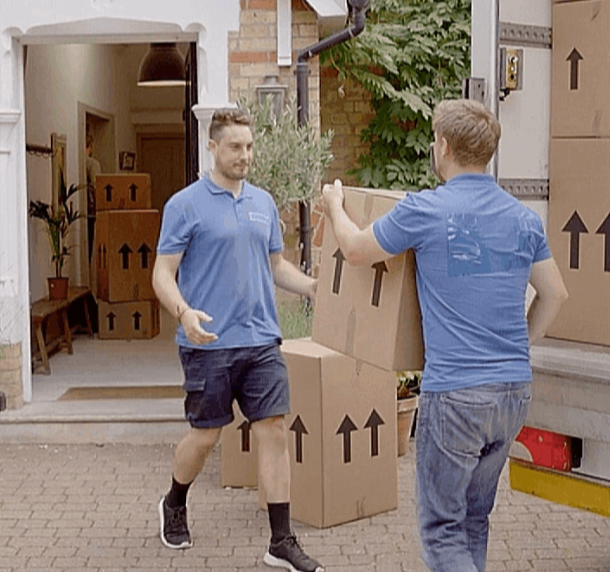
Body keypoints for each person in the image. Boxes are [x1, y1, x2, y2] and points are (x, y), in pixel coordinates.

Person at [322, 99, 569, 572]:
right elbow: (555, 294)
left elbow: (355, 251)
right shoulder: (522, 218)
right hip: (513, 391)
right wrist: (520, 348)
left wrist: (335, 206)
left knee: (442, 532)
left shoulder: (426, 210)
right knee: (474, 519)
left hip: (456, 393)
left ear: (444, 146)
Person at [152, 108, 324, 572]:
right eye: (235, 147)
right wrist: (184, 313)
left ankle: (281, 541)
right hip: (207, 342)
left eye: (249, 147)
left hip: (261, 340)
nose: (244, 155)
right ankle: (174, 501)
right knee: (206, 436)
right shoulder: (184, 205)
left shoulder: (263, 203)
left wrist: (310, 285)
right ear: (212, 146)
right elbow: (162, 275)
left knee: (273, 429)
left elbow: (274, 265)